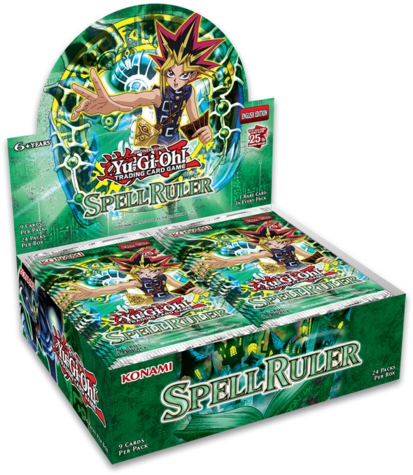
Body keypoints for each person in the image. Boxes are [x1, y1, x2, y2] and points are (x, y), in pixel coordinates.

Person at [70, 12, 224, 146]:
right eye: (171, 73)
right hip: (150, 142)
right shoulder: (159, 94)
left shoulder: (189, 91)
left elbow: (194, 121)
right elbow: (136, 98)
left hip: (173, 145)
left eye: (183, 75)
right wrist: (111, 102)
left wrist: (204, 132)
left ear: (192, 75)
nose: (176, 80)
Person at [58, 251, 205, 308]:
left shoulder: (164, 277)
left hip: (171, 300)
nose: (148, 274)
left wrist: (195, 289)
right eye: (142, 272)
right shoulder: (138, 282)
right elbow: (116, 287)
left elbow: (181, 286)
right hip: (153, 305)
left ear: (160, 269)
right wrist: (92, 292)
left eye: (152, 271)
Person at [192, 222, 335, 278]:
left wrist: (323, 259)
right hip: (285, 273)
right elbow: (248, 257)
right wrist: (225, 262)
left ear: (287, 241)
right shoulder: (268, 253)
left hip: (301, 269)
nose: (277, 246)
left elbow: (310, 256)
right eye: (271, 244)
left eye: (281, 242)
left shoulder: (292, 248)